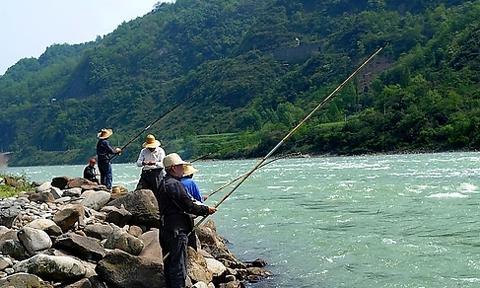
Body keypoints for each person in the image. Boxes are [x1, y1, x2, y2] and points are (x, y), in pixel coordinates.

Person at [155, 153, 217, 288]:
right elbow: (188, 205)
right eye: (180, 166)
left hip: (165, 229)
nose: (183, 168)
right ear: (172, 168)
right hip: (177, 231)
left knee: (169, 264)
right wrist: (206, 210)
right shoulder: (175, 184)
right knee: (178, 266)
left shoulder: (162, 184)